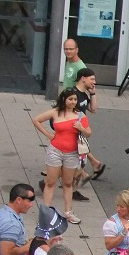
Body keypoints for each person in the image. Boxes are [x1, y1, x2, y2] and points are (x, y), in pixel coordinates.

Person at [31, 89, 89, 224]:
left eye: (75, 99)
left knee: (68, 183)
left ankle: (68, 212)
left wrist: (81, 128)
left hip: (72, 153)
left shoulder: (80, 115)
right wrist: (48, 135)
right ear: (64, 100)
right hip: (56, 150)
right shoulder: (55, 112)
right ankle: (45, 213)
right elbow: (36, 120)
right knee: (50, 182)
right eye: (70, 99)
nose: (73, 102)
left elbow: (89, 133)